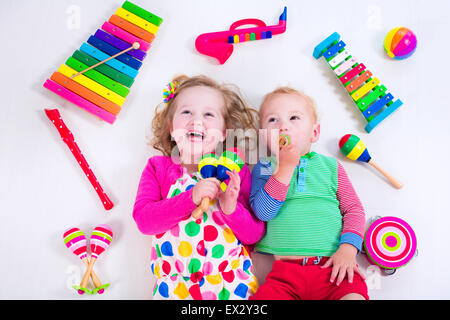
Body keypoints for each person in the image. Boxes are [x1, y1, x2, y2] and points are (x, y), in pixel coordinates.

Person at [133, 75, 264, 300]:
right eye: (186, 112)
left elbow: (254, 234)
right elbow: (144, 221)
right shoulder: (159, 168)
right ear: (171, 127)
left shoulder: (235, 171)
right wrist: (190, 197)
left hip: (230, 284)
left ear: (224, 132)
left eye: (208, 114)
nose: (197, 121)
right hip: (175, 288)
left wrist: (230, 208)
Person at [250, 86, 369, 300]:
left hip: (335, 267)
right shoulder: (264, 167)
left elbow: (354, 210)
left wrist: (349, 249)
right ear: (263, 136)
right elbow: (263, 212)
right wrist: (284, 169)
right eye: (272, 120)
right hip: (285, 276)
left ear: (314, 133)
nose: (283, 126)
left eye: (293, 117)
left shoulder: (331, 167)